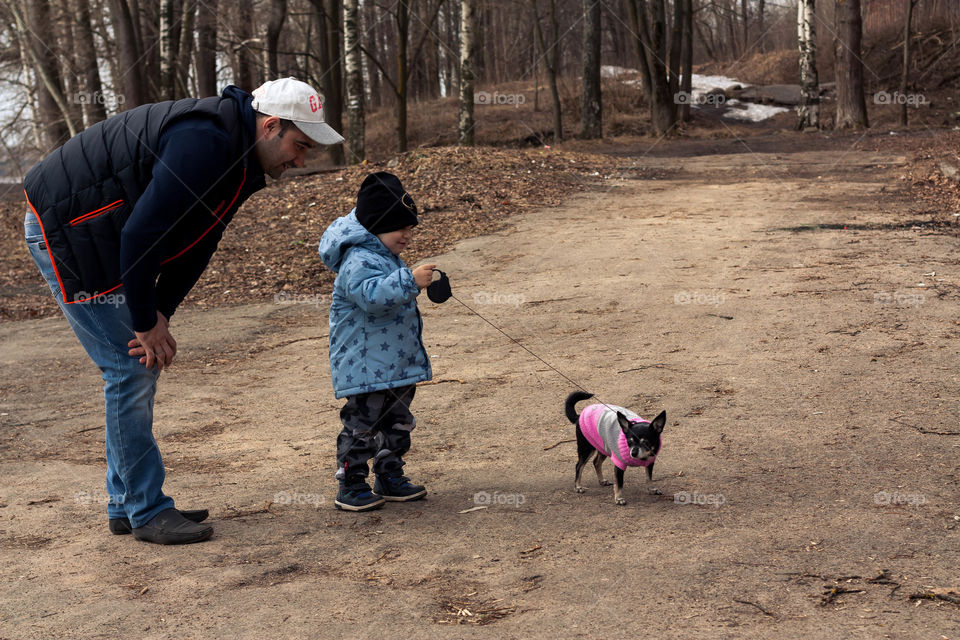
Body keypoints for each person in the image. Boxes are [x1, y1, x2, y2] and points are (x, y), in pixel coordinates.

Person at [23, 77, 344, 544]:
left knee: (132, 366)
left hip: (96, 226)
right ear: (270, 125)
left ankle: (126, 502)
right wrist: (142, 321)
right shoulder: (205, 143)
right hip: (66, 227)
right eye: (299, 146)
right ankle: (146, 509)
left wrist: (162, 312)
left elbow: (200, 241)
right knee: (128, 368)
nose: (301, 160)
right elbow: (140, 236)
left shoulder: (238, 158)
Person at [317, 172, 435, 511]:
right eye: (402, 228)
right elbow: (372, 296)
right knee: (362, 426)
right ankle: (351, 484)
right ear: (378, 225)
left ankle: (390, 473)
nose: (408, 236)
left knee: (397, 422)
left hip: (396, 365)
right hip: (365, 367)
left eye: (411, 228)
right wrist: (409, 280)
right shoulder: (357, 260)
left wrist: (406, 279)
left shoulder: (383, 255)